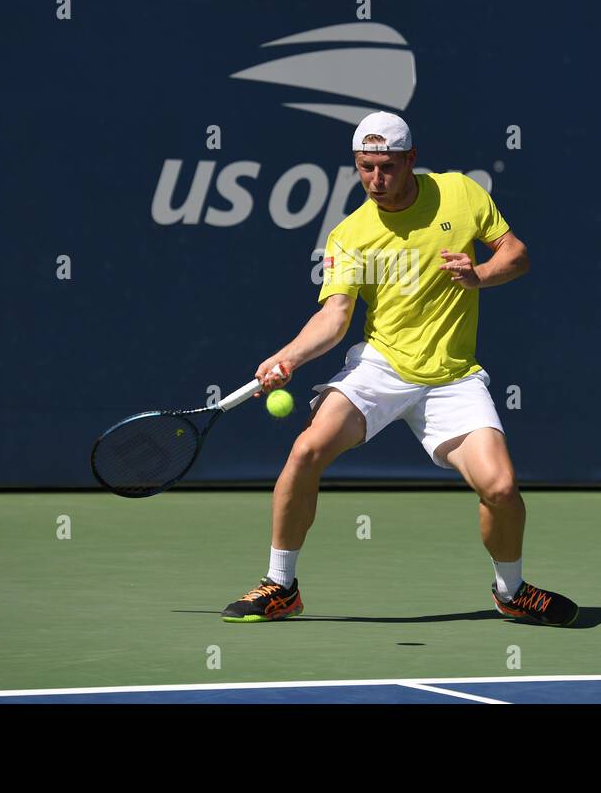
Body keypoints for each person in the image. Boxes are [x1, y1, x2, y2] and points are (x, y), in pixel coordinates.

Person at [221, 112, 579, 627]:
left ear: (410, 160)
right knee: (306, 450)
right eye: (365, 167)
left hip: (453, 376)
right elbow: (335, 316)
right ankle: (281, 586)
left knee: (500, 488)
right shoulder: (351, 234)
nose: (375, 180)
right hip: (381, 367)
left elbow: (517, 256)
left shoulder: (459, 193)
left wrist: (478, 276)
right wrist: (289, 357)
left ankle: (511, 591)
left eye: (386, 167)